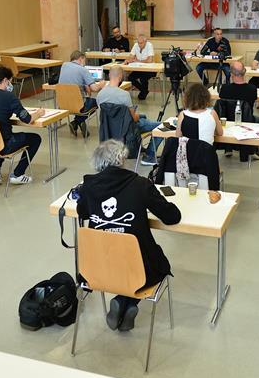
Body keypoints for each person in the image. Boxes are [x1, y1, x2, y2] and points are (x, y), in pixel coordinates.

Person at [76, 140, 181, 331]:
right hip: (139, 268)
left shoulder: (88, 187)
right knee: (151, 262)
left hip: (99, 267)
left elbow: (82, 212)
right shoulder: (140, 184)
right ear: (122, 159)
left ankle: (122, 300)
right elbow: (172, 217)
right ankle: (130, 302)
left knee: (124, 264)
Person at [0, 66, 44, 185]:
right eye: (10, 82)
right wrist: (38, 113)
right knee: (35, 138)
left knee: (1, 134)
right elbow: (27, 119)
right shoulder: (9, 97)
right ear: (5, 81)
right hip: (4, 145)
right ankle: (18, 174)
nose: (10, 85)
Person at [96, 65, 162, 165]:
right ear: (121, 76)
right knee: (161, 127)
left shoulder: (100, 95)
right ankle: (149, 156)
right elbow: (134, 118)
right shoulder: (124, 95)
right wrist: (140, 116)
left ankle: (141, 148)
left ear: (109, 75)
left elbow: (106, 116)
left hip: (110, 130)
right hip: (127, 129)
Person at [218, 61, 259, 162]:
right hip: (246, 121)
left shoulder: (225, 89)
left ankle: (228, 148)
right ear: (244, 72)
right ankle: (252, 149)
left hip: (228, 122)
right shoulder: (252, 89)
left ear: (232, 74)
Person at [58, 50, 107, 137]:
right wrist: (101, 84)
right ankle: (76, 122)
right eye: (84, 60)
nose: (84, 63)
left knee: (85, 100)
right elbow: (94, 89)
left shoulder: (64, 65)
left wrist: (84, 84)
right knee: (95, 102)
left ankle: (79, 122)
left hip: (63, 104)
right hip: (78, 104)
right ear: (81, 59)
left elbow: (73, 80)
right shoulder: (83, 70)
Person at [125, 34, 155, 100]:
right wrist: (128, 60)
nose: (139, 44)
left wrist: (138, 61)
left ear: (145, 42)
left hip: (150, 69)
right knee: (130, 77)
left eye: (141, 43)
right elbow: (131, 57)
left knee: (143, 78)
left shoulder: (149, 45)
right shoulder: (136, 45)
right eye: (138, 42)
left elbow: (150, 60)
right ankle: (144, 91)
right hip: (139, 68)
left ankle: (143, 92)